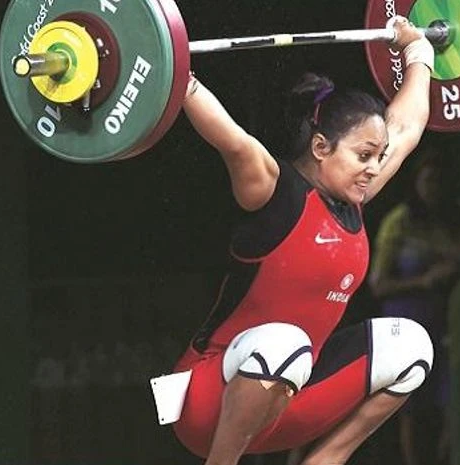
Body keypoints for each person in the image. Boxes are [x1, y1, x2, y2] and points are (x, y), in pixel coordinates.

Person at [154, 17, 436, 465]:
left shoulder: (354, 199)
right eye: (363, 155)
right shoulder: (275, 191)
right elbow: (235, 143)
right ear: (321, 147)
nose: (373, 167)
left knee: (412, 345)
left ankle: (325, 461)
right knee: (286, 344)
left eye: (377, 157)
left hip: (291, 400)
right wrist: (177, 76)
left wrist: (418, 51)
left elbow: (407, 128)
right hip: (207, 403)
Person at [368, 147, 460, 465]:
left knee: (452, 401)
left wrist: (458, 263)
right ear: (416, 183)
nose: (434, 187)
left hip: (453, 323)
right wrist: (424, 281)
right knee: (407, 404)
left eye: (440, 180)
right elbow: (378, 284)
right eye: (428, 180)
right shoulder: (399, 221)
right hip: (407, 323)